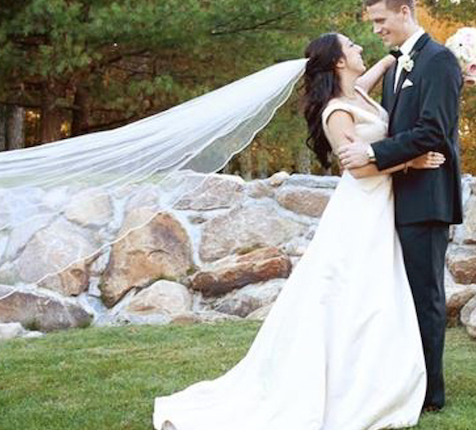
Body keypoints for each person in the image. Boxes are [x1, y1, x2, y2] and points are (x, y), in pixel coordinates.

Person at [152, 30, 448, 430]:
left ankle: (378, 372)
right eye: (352, 46)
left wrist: (402, 56)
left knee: (377, 292)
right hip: (362, 207)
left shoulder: (358, 93)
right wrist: (410, 164)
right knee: (351, 294)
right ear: (340, 61)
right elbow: (358, 168)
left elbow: (376, 74)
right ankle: (342, 381)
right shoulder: (336, 111)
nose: (361, 48)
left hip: (382, 206)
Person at [338, 0, 464, 412]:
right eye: (372, 22)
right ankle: (404, 379)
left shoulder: (440, 61)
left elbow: (434, 131)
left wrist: (372, 151)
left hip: (427, 199)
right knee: (398, 296)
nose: (375, 29)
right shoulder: (399, 63)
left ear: (405, 12)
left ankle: (431, 393)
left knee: (424, 296)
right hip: (398, 193)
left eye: (380, 20)